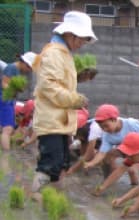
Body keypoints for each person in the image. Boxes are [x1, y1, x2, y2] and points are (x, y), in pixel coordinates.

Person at [31, 11, 96, 194]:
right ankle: (35, 201)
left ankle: (55, 199)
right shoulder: (53, 54)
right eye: (81, 38)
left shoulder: (64, 53)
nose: (82, 43)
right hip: (51, 121)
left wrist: (80, 78)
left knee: (61, 165)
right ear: (69, 33)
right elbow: (49, 87)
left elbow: (61, 82)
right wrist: (75, 99)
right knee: (48, 166)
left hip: (61, 121)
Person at [83, 104, 139, 192]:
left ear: (114, 119)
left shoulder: (131, 124)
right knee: (108, 155)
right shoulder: (107, 135)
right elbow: (102, 152)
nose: (104, 129)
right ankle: (108, 180)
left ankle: (138, 187)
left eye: (106, 126)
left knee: (133, 171)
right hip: (125, 149)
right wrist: (92, 163)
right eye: (101, 127)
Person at [0, 52, 36, 150]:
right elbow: (4, 84)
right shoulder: (11, 68)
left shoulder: (16, 70)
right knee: (7, 129)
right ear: (24, 63)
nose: (29, 71)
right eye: (29, 68)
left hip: (9, 100)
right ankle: (6, 157)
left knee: (7, 129)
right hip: (5, 100)